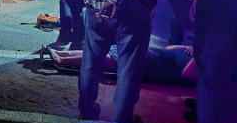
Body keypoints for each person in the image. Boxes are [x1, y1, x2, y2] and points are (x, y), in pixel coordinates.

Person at [44, 44, 197, 87]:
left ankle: (63, 60)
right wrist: (186, 47)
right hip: (156, 54)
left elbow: (185, 75)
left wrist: (196, 56)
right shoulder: (195, 52)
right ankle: (62, 55)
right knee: (109, 52)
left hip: (157, 64)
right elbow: (168, 49)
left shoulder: (200, 63)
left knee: (110, 58)